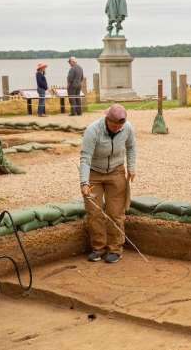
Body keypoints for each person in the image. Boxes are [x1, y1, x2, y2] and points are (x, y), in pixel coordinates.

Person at [80, 104, 136, 263]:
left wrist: (131, 168)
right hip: (94, 174)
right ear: (107, 119)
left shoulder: (127, 128)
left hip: (116, 172)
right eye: (115, 125)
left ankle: (115, 249)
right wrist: (84, 182)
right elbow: (85, 157)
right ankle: (98, 248)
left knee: (115, 213)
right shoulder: (93, 130)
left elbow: (131, 147)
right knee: (94, 211)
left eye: (121, 126)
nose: (118, 128)